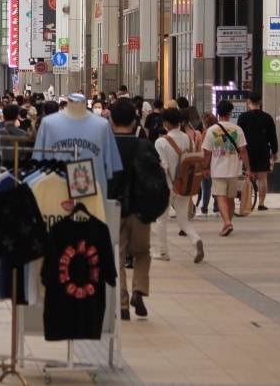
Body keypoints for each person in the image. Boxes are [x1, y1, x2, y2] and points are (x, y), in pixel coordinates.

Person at [107, 99, 156, 320]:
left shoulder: (106, 146)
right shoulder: (144, 146)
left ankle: (123, 305)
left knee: (116, 256)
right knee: (142, 253)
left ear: (110, 120)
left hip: (113, 208)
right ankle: (139, 290)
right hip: (140, 209)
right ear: (135, 121)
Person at [154, 107, 204, 264]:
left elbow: (164, 166)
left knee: (161, 219)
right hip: (185, 184)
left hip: (167, 186)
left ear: (166, 122)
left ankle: (163, 252)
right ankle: (196, 240)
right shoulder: (188, 138)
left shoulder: (161, 141)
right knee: (183, 219)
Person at [201, 99, 250, 237]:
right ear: (230, 113)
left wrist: (205, 167)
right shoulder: (237, 129)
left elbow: (206, 152)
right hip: (234, 170)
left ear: (218, 112)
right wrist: (248, 168)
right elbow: (243, 151)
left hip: (217, 170)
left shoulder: (211, 130)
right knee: (230, 198)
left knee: (220, 197)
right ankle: (227, 222)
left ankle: (227, 222)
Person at [236, 92, 278, 210]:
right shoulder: (267, 117)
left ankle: (247, 202)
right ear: (260, 102)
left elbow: (239, 135)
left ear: (248, 102)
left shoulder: (243, 117)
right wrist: (274, 152)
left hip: (247, 150)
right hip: (263, 150)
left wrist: (239, 151)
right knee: (262, 177)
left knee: (247, 176)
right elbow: (273, 136)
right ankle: (261, 203)